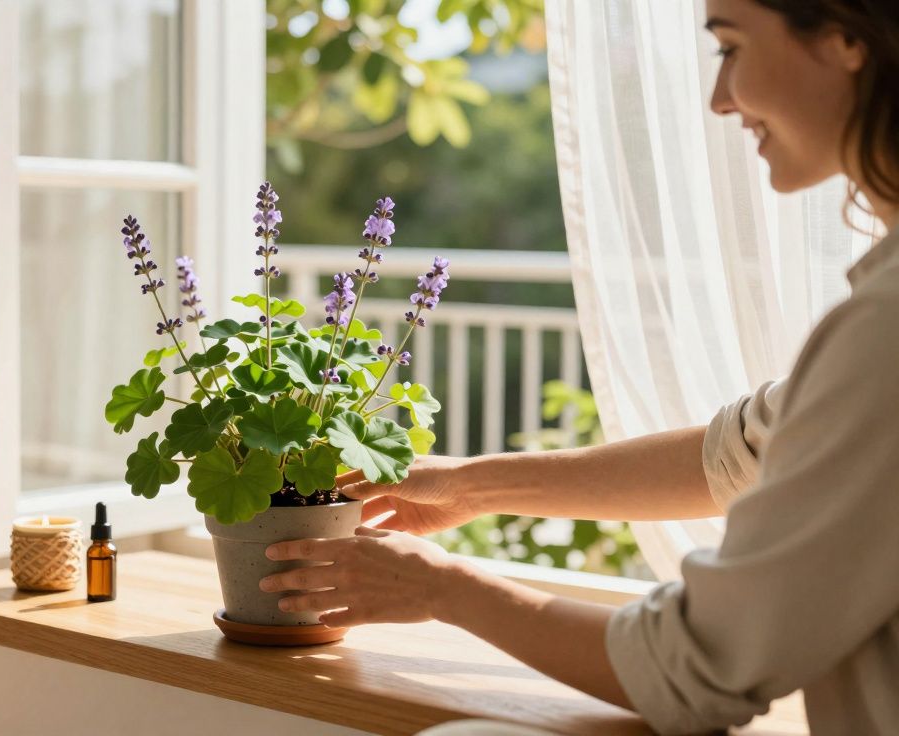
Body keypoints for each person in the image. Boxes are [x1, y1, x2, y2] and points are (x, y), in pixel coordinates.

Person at [259, 0, 899, 733]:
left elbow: (700, 663)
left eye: (730, 48)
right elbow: (743, 452)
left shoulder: (884, 331)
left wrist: (445, 587)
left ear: (847, 40)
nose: (721, 98)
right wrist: (473, 486)